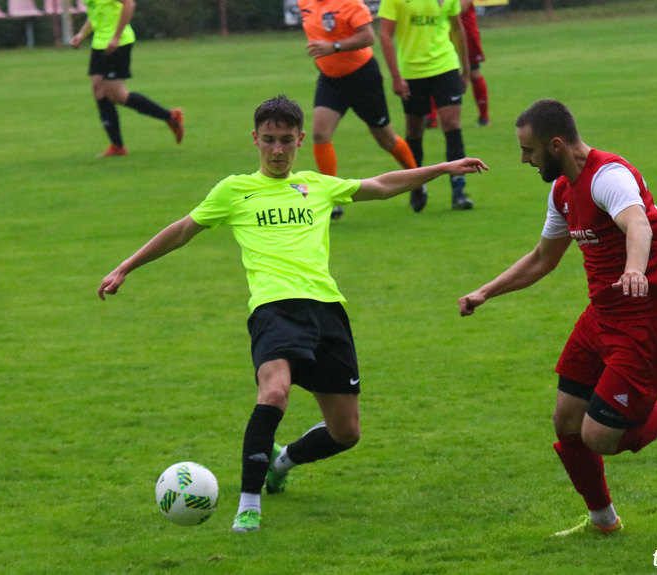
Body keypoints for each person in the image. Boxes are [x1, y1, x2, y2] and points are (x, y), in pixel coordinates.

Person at [97, 95, 488, 533]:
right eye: (269, 141)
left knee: (346, 432)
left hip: (326, 311)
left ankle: (281, 462)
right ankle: (248, 506)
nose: (278, 150)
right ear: (255, 139)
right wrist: (126, 266)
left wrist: (440, 168)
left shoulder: (317, 185)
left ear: (301, 140)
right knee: (275, 391)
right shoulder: (234, 190)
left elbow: (380, 185)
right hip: (273, 309)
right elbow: (183, 230)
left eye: (286, 141)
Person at [458, 99, 657, 536]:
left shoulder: (609, 177)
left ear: (557, 144)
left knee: (601, 437)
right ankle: (603, 521)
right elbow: (542, 258)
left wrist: (634, 270)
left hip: (644, 320)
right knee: (566, 422)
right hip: (600, 317)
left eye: (529, 151)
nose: (523, 160)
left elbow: (637, 224)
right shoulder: (562, 190)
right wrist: (486, 291)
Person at [299, 0, 424, 219]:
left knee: (386, 139)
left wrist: (334, 47)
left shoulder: (350, 3)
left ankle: (417, 182)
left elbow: (368, 37)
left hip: (362, 78)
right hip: (330, 80)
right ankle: (331, 197)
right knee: (320, 133)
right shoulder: (304, 3)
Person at [378, 0, 475, 212]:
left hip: (445, 65)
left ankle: (459, 191)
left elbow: (457, 29)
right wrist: (396, 76)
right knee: (414, 129)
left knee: (451, 124)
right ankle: (416, 185)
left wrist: (465, 69)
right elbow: (385, 34)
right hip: (412, 72)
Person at [71, 0, 184, 158]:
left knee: (117, 94)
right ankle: (117, 146)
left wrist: (116, 37)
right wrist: (82, 34)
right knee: (98, 90)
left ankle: (170, 116)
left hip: (118, 43)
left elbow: (129, 4)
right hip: (99, 43)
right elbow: (97, 14)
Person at [426, 0, 490, 128]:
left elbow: (461, 7)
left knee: (473, 72)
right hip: (441, 33)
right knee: (434, 71)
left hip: (465, 31)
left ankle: (484, 116)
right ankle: (431, 117)